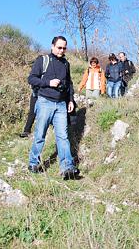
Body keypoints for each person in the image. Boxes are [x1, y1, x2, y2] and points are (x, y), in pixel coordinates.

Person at [27, 36, 80, 179]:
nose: (62, 50)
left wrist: (70, 100)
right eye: (59, 47)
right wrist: (48, 83)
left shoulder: (65, 64)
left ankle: (67, 167)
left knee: (63, 136)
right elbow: (31, 79)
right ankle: (33, 163)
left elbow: (69, 84)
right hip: (45, 102)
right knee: (40, 135)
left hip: (61, 104)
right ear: (52, 46)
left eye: (64, 48)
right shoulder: (42, 60)